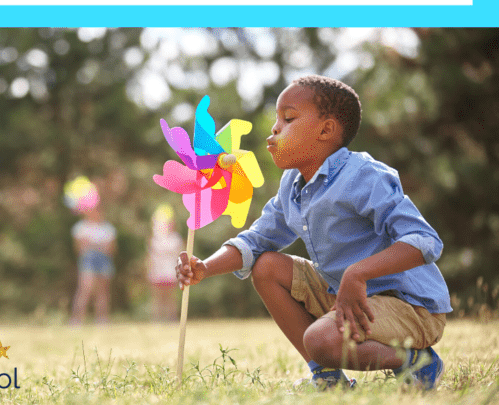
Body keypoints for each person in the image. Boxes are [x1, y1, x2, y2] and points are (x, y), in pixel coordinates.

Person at [176, 75, 450, 391]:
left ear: (326, 130)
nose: (274, 128)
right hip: (346, 296)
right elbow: (255, 241)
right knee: (266, 267)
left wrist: (357, 274)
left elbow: (425, 240)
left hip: (409, 306)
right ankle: (328, 378)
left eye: (288, 118)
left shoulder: (362, 175)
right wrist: (205, 267)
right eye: (276, 119)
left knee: (320, 340)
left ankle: (418, 361)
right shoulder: (292, 186)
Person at [70, 203, 116, 324]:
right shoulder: (81, 227)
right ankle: (76, 320)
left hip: (104, 260)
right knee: (85, 289)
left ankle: (102, 320)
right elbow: (78, 247)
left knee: (103, 291)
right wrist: (98, 246)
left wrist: (92, 245)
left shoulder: (108, 228)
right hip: (87, 260)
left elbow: (111, 248)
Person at [147, 205, 184, 321]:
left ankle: (171, 318)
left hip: (170, 272)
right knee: (157, 298)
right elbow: (150, 257)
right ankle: (157, 319)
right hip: (157, 272)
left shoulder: (176, 238)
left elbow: (181, 255)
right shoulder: (154, 239)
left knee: (171, 297)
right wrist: (149, 271)